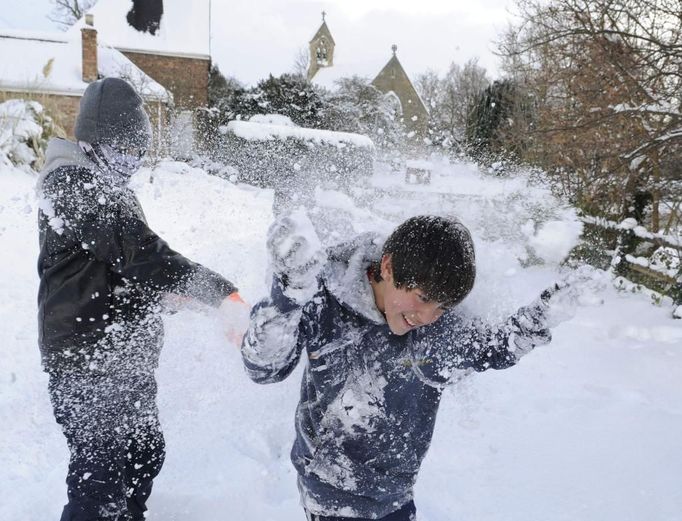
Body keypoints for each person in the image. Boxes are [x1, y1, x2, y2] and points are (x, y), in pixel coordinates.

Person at [241, 212, 574, 521]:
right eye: (423, 298)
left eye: (442, 306)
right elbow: (265, 368)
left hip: (396, 497)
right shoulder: (324, 299)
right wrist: (287, 297)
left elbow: (494, 348)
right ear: (387, 267)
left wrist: (542, 316)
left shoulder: (436, 328)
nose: (426, 316)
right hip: (331, 493)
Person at [37, 77, 240, 521]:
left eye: (136, 155)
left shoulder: (111, 188)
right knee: (99, 484)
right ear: (91, 142)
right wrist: (220, 292)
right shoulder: (72, 186)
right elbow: (141, 255)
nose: (129, 164)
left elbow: (124, 271)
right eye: (120, 153)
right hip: (85, 361)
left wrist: (170, 296)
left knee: (146, 453)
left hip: (125, 359)